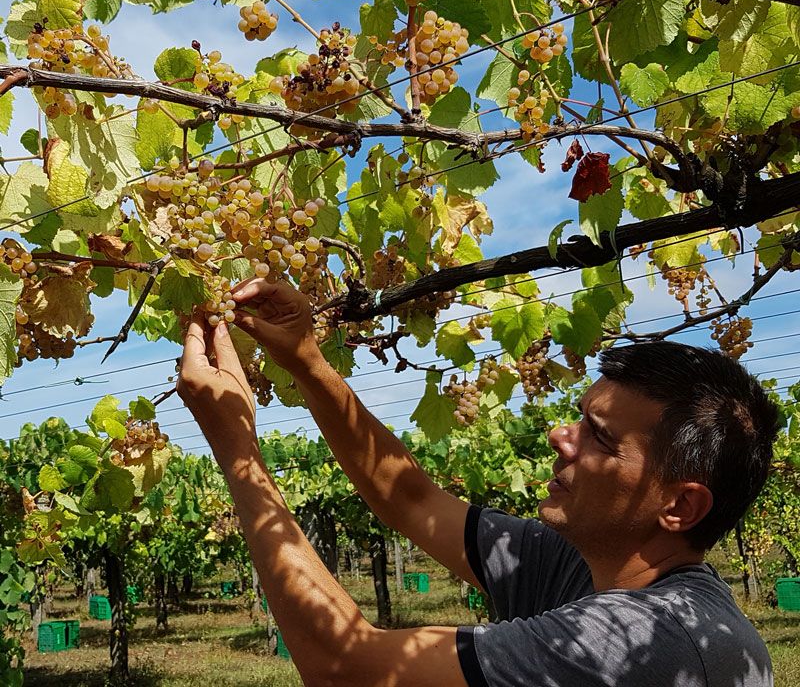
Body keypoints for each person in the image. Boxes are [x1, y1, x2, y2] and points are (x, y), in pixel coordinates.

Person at [177, 278, 779, 687]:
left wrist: (238, 450)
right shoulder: (580, 566)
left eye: (597, 436)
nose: (558, 436)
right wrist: (306, 359)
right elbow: (409, 498)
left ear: (679, 505)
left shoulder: (647, 642)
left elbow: (346, 668)